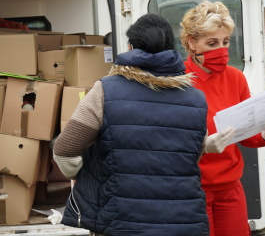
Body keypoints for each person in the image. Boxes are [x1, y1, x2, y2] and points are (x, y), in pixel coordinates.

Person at [53, 13, 210, 236]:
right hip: (182, 223)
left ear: (130, 46)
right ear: (171, 48)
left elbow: (64, 150)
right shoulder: (197, 99)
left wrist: (87, 174)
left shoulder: (105, 91)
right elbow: (194, 155)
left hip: (119, 223)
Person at [179, 1, 265, 236]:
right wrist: (203, 147)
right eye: (212, 43)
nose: (222, 49)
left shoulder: (236, 78)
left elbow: (247, 135)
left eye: (226, 42)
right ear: (191, 43)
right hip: (191, 189)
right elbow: (164, 142)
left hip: (230, 188)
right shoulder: (178, 82)